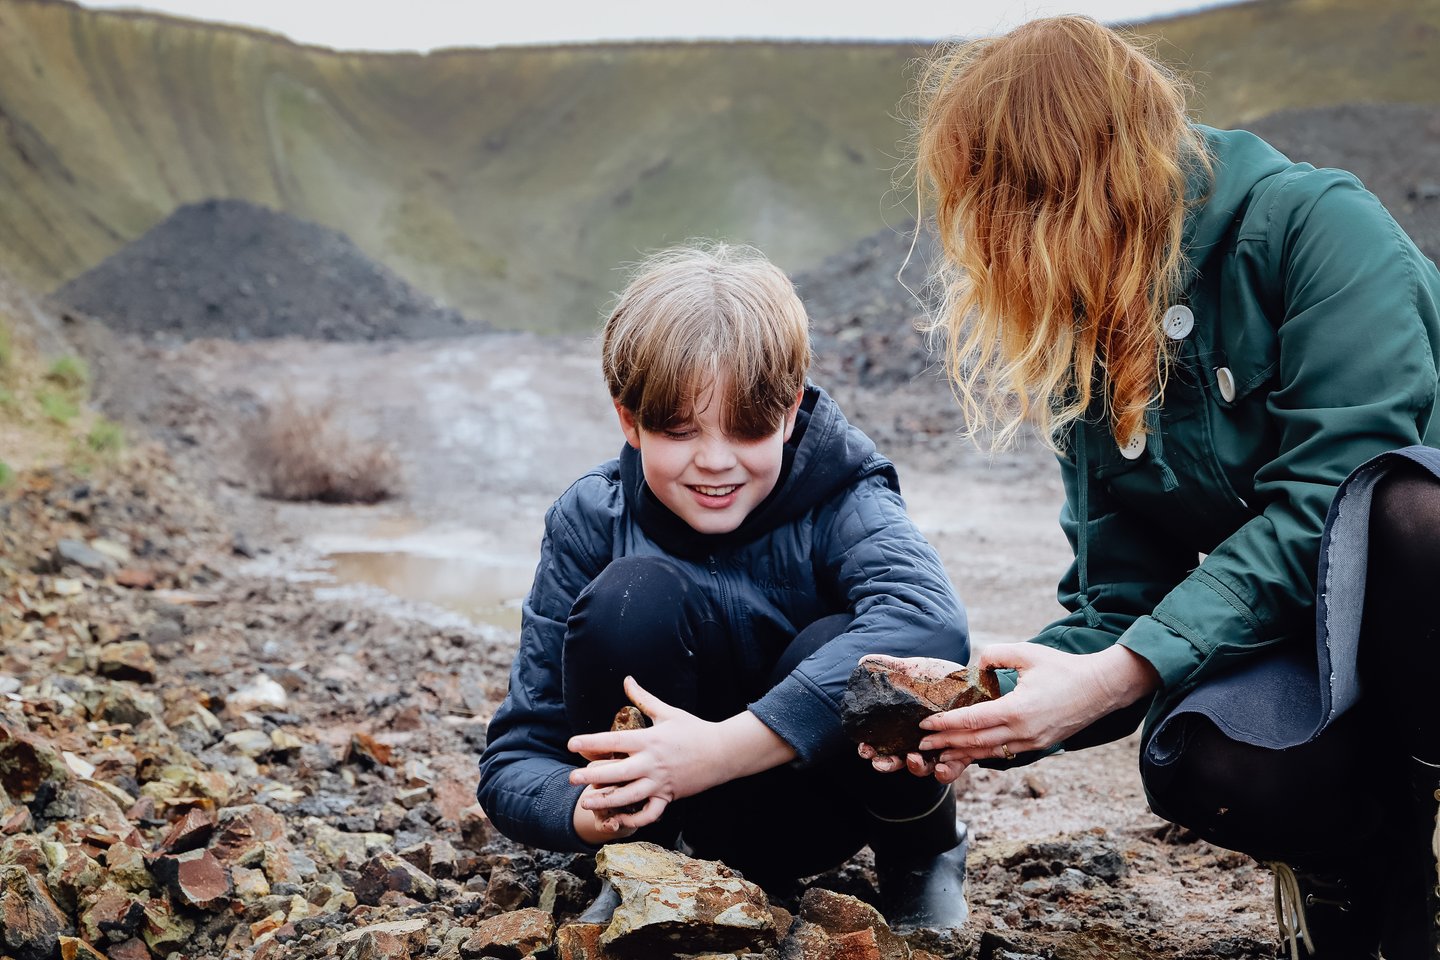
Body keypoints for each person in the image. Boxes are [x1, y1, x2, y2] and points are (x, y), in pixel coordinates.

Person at [863, 16, 1440, 960]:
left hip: (1424, 606)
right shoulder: (1093, 333)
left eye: (1002, 198)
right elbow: (1120, 602)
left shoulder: (1317, 229)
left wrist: (1123, 669)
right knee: (1203, 756)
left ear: (1074, 176)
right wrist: (989, 711)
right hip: (1317, 641)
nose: (987, 237)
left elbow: (1337, 510)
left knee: (1412, 515)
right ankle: (1356, 872)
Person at [477, 242, 972, 931]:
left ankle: (923, 855)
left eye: (748, 429)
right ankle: (643, 866)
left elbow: (931, 622)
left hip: (824, 811)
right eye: (680, 432)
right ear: (629, 419)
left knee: (865, 652)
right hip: (668, 817)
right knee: (630, 597)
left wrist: (721, 749)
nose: (715, 462)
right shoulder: (592, 518)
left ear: (792, 410)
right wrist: (586, 812)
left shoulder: (844, 493)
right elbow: (514, 759)